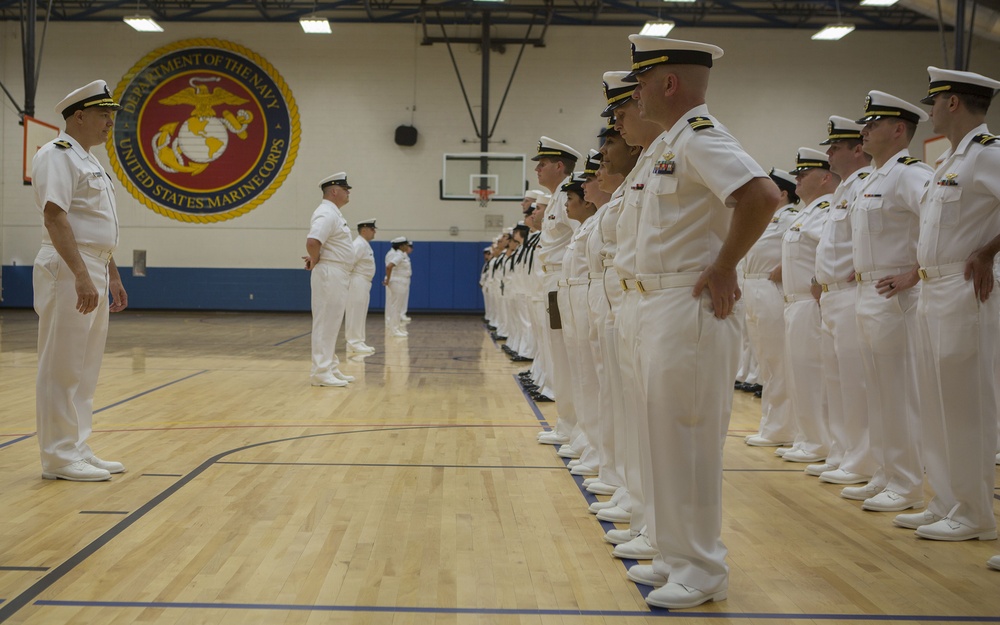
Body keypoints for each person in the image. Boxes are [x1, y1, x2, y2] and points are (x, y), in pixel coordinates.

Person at [623, 35, 779, 609]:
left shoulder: (701, 137)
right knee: (663, 437)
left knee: (687, 440)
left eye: (642, 79)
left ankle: (702, 566)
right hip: (657, 305)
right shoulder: (670, 144)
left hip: (687, 307)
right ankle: (674, 553)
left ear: (669, 83)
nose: (634, 90)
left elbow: (761, 194)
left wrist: (724, 264)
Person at [893, 66, 1000, 542]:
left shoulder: (986, 154)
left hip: (964, 287)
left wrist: (988, 250)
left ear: (952, 102)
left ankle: (975, 512)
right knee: (935, 402)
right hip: (932, 289)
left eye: (934, 101)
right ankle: (946, 501)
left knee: (965, 405)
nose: (930, 109)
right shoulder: (949, 162)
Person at [32, 79, 128, 482]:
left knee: (85, 368)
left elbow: (97, 226)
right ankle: (57, 456)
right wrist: (81, 274)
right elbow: (56, 217)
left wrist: (112, 272)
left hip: (93, 265)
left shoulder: (89, 160)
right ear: (79, 116)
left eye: (112, 115)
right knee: (62, 364)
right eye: (104, 114)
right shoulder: (57, 156)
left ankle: (77, 447)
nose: (110, 122)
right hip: (71, 268)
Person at [845, 93, 933, 512]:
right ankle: (884, 473)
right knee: (876, 391)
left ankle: (907, 482)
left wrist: (916, 270)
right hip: (867, 293)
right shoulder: (872, 178)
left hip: (894, 297)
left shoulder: (909, 174)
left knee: (898, 393)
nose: (864, 130)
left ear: (899, 130)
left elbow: (935, 221)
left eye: (873, 123)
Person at [742, 168, 800, 448]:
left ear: (784, 193)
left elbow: (803, 248)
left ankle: (781, 428)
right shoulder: (766, 218)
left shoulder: (791, 218)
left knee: (777, 361)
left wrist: (786, 267)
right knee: (765, 361)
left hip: (771, 288)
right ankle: (772, 423)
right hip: (753, 287)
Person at [304, 172, 356, 387]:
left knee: (332, 322)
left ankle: (330, 367)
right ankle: (321, 372)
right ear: (334, 191)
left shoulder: (334, 213)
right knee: (325, 322)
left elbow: (322, 244)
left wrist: (316, 257)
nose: (348, 192)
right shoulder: (326, 213)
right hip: (330, 273)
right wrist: (315, 259)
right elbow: (313, 241)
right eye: (345, 189)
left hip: (337, 271)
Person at [346, 218, 378, 354]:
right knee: (355, 312)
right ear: (364, 230)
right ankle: (353, 342)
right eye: (372, 229)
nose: (374, 231)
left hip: (364, 281)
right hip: (357, 280)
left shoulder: (364, 244)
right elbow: (349, 262)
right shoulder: (359, 244)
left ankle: (359, 341)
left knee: (360, 312)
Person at [384, 236, 413, 337]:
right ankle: (394, 330)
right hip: (398, 282)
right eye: (406, 244)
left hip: (400, 282)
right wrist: (388, 279)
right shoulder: (398, 255)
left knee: (397, 307)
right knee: (396, 307)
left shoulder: (401, 254)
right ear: (401, 246)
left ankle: (396, 328)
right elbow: (389, 266)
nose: (407, 246)